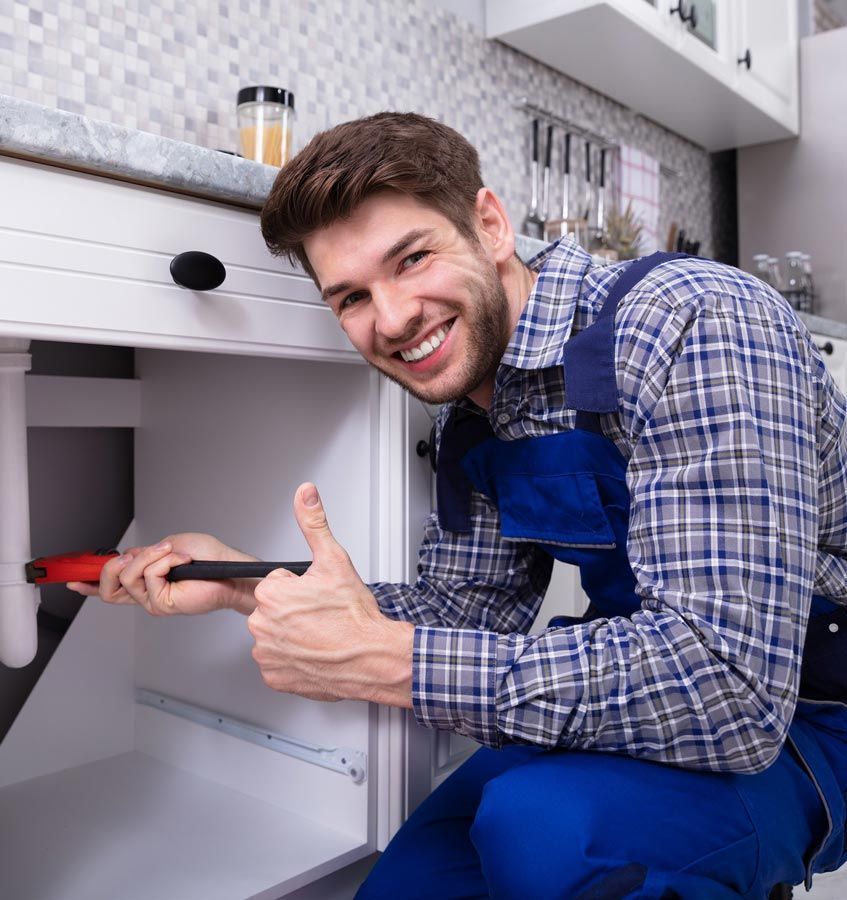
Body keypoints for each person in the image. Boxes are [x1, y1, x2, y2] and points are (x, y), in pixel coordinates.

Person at [69, 113, 847, 899]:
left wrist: (383, 662)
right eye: (351, 298)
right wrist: (244, 582)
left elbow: (730, 689)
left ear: (490, 224)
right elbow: (468, 613)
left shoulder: (687, 321)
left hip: (805, 712)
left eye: (411, 258)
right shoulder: (471, 418)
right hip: (639, 695)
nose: (394, 317)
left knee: (541, 831)